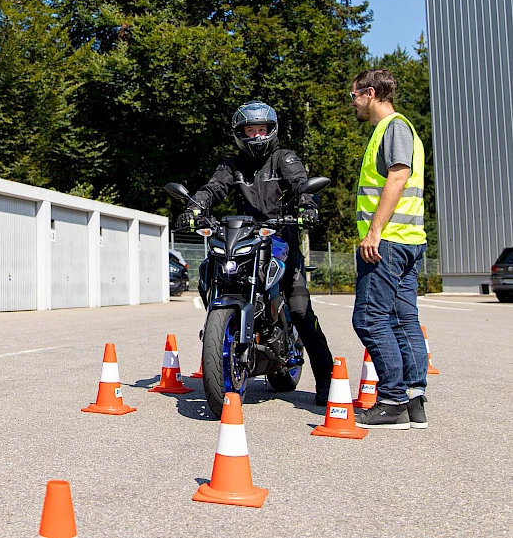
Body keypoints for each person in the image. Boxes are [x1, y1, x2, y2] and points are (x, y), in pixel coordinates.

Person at [176, 101, 334, 406]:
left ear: (271, 131)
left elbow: (303, 186)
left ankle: (327, 381)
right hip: (245, 237)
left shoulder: (283, 159)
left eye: (261, 129)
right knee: (215, 271)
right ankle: (227, 337)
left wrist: (307, 207)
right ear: (240, 133)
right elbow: (211, 190)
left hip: (281, 239)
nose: (257, 135)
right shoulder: (231, 165)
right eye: (251, 130)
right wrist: (194, 207)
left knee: (301, 311)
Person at [349, 69, 428, 430]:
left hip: (388, 242)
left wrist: (374, 231)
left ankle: (392, 401)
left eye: (354, 96)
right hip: (408, 240)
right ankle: (414, 400)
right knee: (403, 319)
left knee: (369, 319)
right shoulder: (398, 129)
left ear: (370, 93)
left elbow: (398, 176)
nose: (353, 102)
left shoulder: (393, 127)